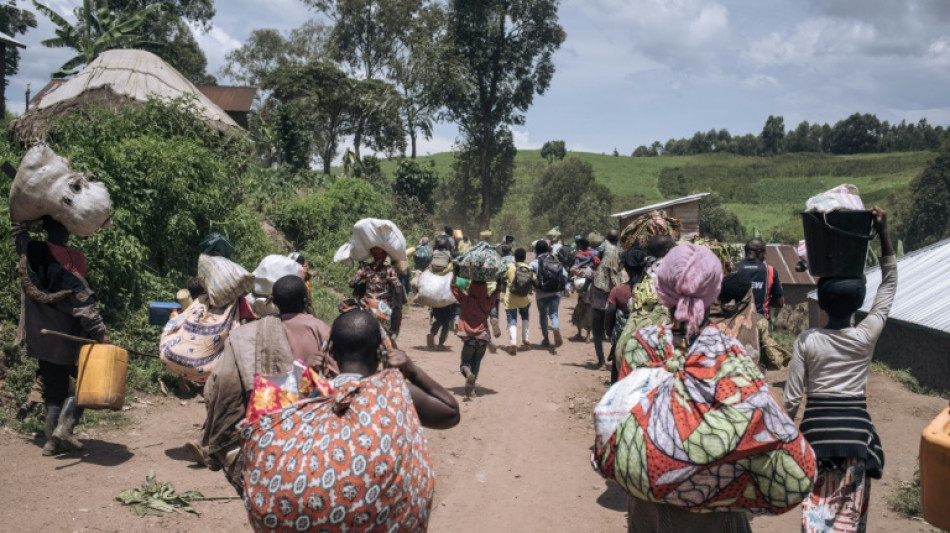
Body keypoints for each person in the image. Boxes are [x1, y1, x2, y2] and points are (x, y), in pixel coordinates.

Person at [242, 309, 459, 531]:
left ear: (332, 353)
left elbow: (265, 425)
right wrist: (411, 370)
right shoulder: (393, 395)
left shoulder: (311, 395)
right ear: (380, 351)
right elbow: (450, 412)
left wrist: (303, 375)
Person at [619, 244, 756, 532]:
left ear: (662, 289)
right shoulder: (730, 350)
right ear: (714, 291)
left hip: (654, 490)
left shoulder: (640, 345)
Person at [784, 207, 894, 533]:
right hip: (856, 440)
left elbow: (791, 401)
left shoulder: (807, 341)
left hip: (816, 438)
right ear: (858, 306)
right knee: (850, 517)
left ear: (823, 304)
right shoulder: (865, 335)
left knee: (815, 517)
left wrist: (776, 441)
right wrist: (883, 233)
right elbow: (888, 286)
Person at [202, 276, 334, 495]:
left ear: (274, 302)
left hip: (270, 419)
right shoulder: (318, 328)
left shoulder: (255, 332)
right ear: (305, 299)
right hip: (310, 418)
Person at [13, 216, 110, 456]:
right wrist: (103, 337)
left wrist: (25, 226)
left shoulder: (31, 258)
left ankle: (50, 442)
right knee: (88, 386)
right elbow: (84, 306)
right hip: (70, 341)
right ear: (67, 234)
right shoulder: (71, 266)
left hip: (42, 340)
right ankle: (64, 429)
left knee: (54, 389)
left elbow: (19, 236)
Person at [711, 273, 790, 370]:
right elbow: (775, 360)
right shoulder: (758, 321)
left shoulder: (709, 319)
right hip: (747, 378)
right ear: (748, 296)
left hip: (716, 376)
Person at [451, 278, 501, 399]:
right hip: (483, 338)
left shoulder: (467, 300)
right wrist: (499, 282)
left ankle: (468, 374)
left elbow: (455, 290)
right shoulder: (488, 302)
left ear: (471, 289)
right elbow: (496, 293)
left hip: (469, 338)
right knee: (477, 362)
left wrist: (453, 277)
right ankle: (472, 390)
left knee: (465, 363)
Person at [603, 248, 647, 382]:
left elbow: (609, 312)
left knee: (617, 376)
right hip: (646, 342)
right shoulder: (653, 290)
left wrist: (609, 332)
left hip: (623, 341)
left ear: (626, 268)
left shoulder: (619, 291)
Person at [348, 246, 406, 339]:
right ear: (384, 256)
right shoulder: (389, 270)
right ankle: (393, 333)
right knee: (387, 330)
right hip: (383, 304)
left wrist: (360, 285)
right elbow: (397, 286)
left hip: (366, 303)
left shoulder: (365, 268)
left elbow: (352, 282)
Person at [589, 229, 623, 368]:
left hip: (598, 306)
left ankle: (601, 361)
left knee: (597, 333)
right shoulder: (619, 257)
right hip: (613, 306)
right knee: (614, 334)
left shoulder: (596, 270)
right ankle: (615, 360)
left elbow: (578, 270)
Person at [530, 240, 568, 349]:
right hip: (555, 293)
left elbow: (528, 275)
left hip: (541, 293)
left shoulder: (534, 263)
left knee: (543, 315)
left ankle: (546, 338)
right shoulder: (555, 260)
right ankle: (555, 327)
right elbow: (565, 274)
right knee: (554, 314)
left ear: (536, 250)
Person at [736, 238, 784, 320]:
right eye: (764, 253)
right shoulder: (770, 271)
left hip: (738, 321)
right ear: (758, 252)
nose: (765, 256)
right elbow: (779, 303)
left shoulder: (734, 269)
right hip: (761, 320)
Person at [503, 248, 534, 355]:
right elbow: (534, 281)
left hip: (511, 298)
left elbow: (501, 277)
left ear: (514, 257)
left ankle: (513, 342)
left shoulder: (510, 266)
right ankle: (526, 339)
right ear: (525, 257)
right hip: (524, 298)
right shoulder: (529, 268)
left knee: (512, 319)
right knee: (525, 317)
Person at [569, 236, 600, 342]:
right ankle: (588, 334)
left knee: (579, 310)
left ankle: (579, 333)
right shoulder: (595, 253)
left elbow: (574, 268)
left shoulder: (579, 255)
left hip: (582, 285)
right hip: (594, 289)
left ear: (581, 245)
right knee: (590, 311)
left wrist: (586, 262)